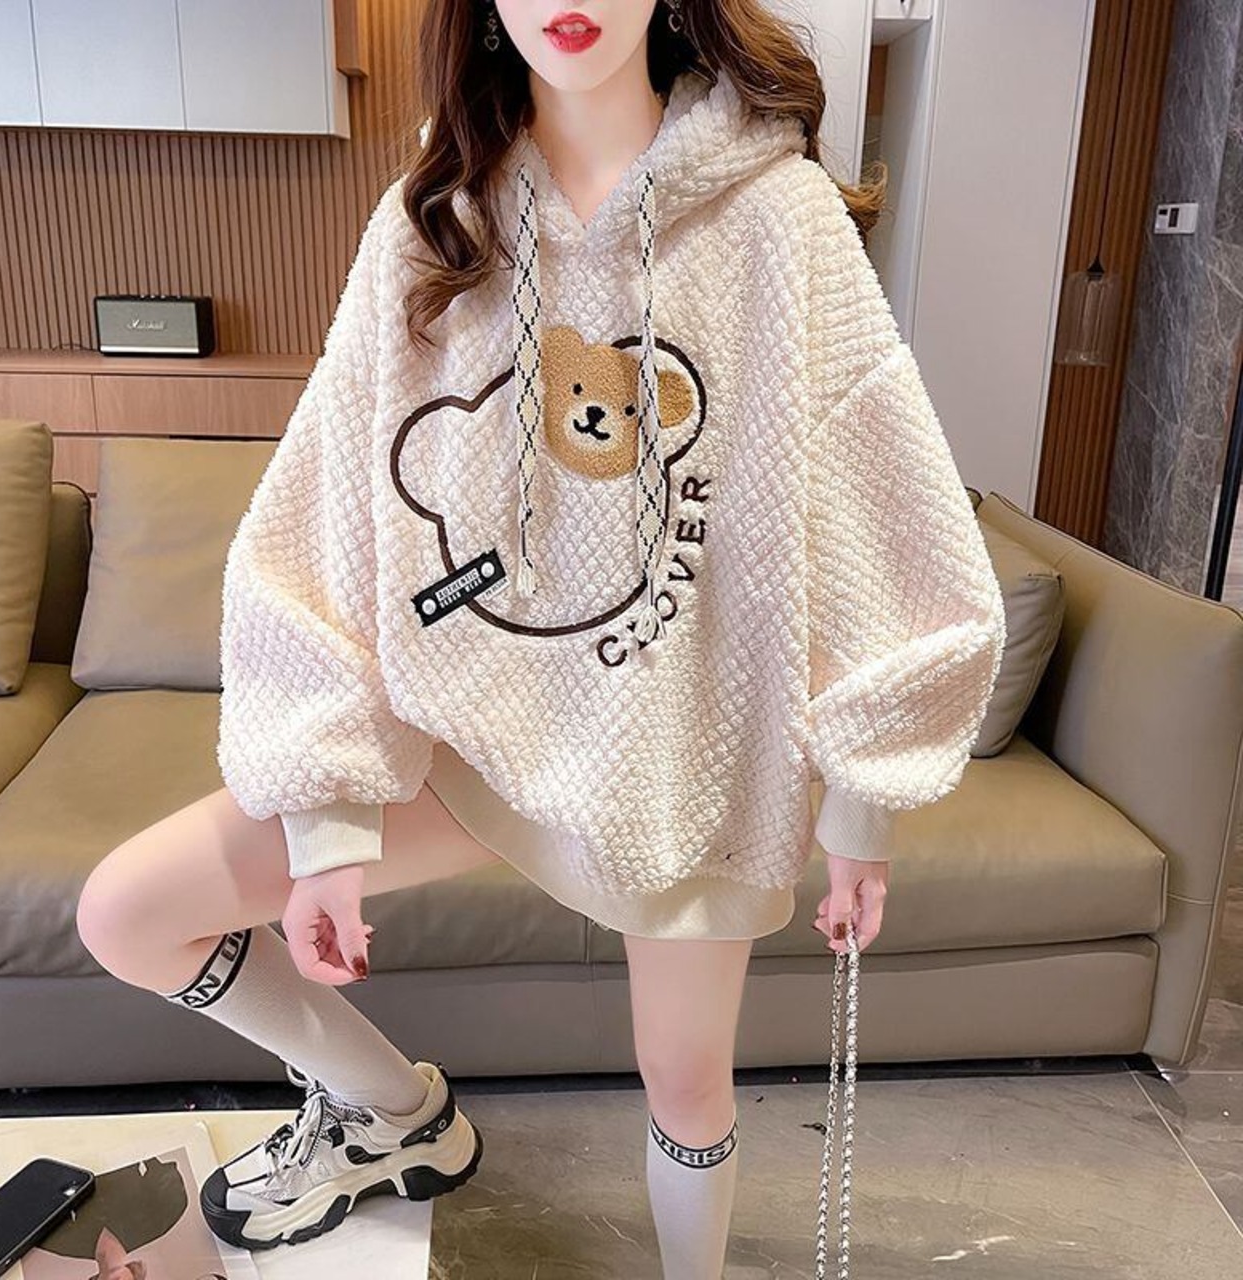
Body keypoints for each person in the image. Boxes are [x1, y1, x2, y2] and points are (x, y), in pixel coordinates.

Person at [75, 1, 1006, 1276]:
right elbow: (326, 514)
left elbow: (877, 504)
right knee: (126, 911)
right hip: (470, 736)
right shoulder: (432, 219)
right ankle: (388, 1110)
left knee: (686, 1082)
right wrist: (328, 820)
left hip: (682, 758)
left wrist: (861, 799)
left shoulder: (776, 219)